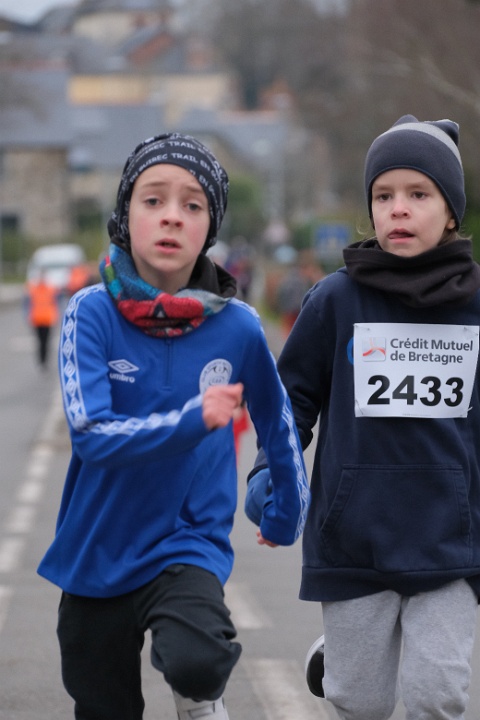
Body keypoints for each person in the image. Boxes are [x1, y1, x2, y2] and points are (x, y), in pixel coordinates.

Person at [37, 132, 310, 720]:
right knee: (102, 705)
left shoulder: (239, 326)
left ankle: (200, 699)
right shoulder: (90, 312)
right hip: (99, 546)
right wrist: (191, 421)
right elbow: (90, 433)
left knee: (199, 662)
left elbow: (278, 419)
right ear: (125, 215)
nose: (172, 216)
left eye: (193, 205)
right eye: (153, 200)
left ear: (209, 228)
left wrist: (287, 510)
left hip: (186, 540)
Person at [246, 115, 480, 720]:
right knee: (360, 700)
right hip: (355, 536)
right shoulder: (335, 299)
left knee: (438, 695)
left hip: (451, 539)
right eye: (383, 195)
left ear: (451, 212)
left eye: (418, 194)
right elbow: (291, 398)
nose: (398, 208)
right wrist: (271, 470)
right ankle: (343, 662)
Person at [25, 270, 60, 367]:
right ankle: (42, 360)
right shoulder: (33, 289)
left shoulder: (50, 289)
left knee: (45, 341)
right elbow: (27, 304)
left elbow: (56, 303)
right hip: (38, 319)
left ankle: (44, 360)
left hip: (47, 319)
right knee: (40, 341)